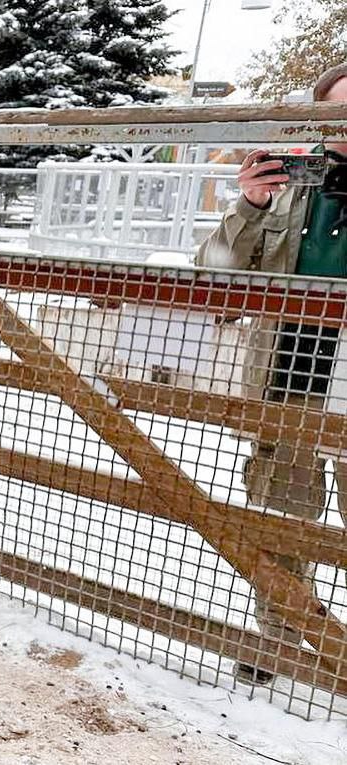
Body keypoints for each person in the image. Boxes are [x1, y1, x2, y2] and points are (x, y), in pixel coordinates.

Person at [195, 63, 347, 685]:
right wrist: (250, 205)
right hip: (291, 374)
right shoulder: (286, 184)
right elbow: (215, 275)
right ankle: (284, 637)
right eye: (341, 111)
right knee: (283, 515)